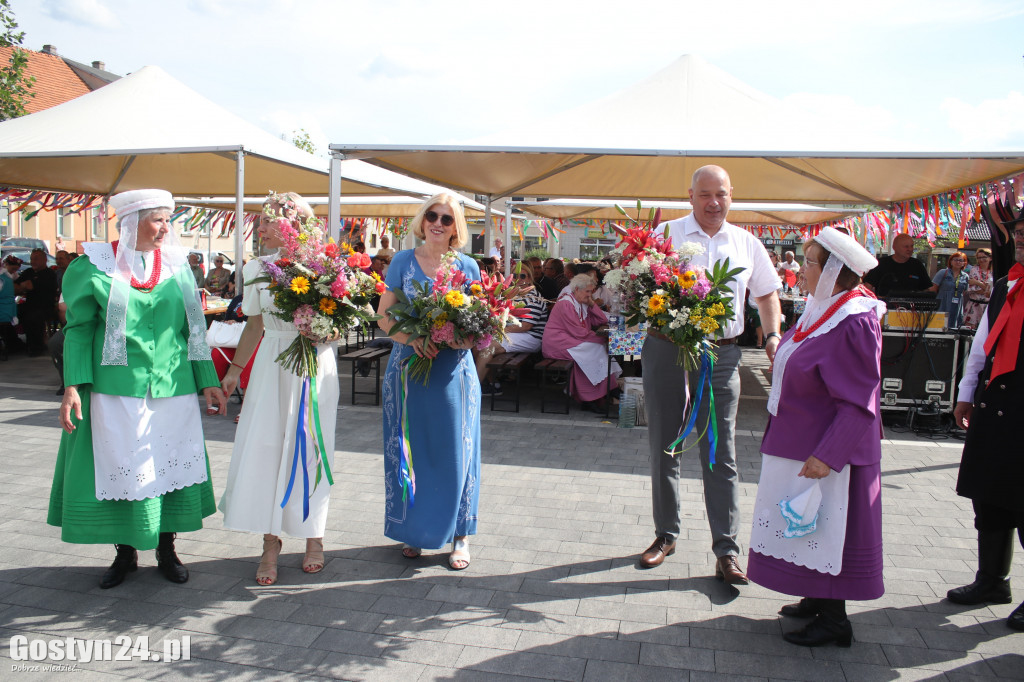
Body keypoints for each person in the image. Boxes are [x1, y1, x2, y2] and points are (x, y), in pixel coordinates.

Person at [48, 189, 227, 590]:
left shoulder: (179, 266)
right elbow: (78, 331)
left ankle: (167, 549)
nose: (166, 227)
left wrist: (208, 381)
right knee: (123, 469)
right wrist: (73, 386)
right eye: (158, 219)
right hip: (115, 391)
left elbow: (194, 331)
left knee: (166, 467)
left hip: (173, 388)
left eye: (169, 219)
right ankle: (125, 553)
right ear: (131, 221)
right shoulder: (91, 266)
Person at [640, 165, 782, 584]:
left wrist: (773, 335)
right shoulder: (665, 237)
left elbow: (767, 294)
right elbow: (635, 287)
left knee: (721, 453)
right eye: (705, 195)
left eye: (720, 194)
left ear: (731, 195)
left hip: (722, 356)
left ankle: (727, 550)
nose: (713, 202)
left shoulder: (746, 242)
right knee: (664, 445)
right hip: (667, 350)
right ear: (690, 196)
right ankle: (666, 534)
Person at [747, 228, 886, 647]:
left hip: (827, 451)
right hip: (800, 440)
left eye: (809, 263)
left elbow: (860, 400)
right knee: (806, 525)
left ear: (833, 273)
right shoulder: (823, 308)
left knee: (828, 527)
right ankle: (815, 595)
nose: (800, 270)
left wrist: (829, 454)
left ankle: (835, 619)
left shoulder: (856, 319)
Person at [219, 192, 341, 585]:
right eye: (261, 217)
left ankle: (314, 537)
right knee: (268, 450)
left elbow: (341, 323)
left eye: (269, 218)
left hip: (314, 364)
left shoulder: (324, 266)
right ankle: (270, 543)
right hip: (272, 363)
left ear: (292, 225)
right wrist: (235, 370)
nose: (260, 225)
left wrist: (325, 328)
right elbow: (254, 324)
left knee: (311, 448)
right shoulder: (256, 266)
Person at [377, 193, 482, 570]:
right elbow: (384, 317)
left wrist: (457, 339)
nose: (438, 223)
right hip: (409, 368)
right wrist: (416, 339)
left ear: (457, 227)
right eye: (432, 215)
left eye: (447, 218)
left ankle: (460, 536)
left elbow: (479, 326)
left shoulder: (469, 266)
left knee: (456, 453)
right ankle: (415, 531)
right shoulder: (403, 261)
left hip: (453, 372)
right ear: (422, 221)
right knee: (411, 449)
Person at [947, 219, 1024, 632]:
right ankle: (993, 581)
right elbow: (982, 343)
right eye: (1022, 234)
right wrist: (965, 390)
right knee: (990, 497)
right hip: (996, 402)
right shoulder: (1004, 286)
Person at [542, 274, 621, 412]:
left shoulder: (581, 302)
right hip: (557, 343)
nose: (590, 295)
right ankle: (602, 392)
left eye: (591, 292)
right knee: (595, 349)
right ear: (577, 289)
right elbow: (577, 332)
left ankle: (598, 394)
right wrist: (599, 338)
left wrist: (592, 304)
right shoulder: (566, 303)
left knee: (596, 350)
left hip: (570, 341)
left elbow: (601, 320)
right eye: (588, 292)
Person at [476, 263, 547, 396]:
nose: (518, 278)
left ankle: (473, 390)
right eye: (514, 275)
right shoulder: (512, 294)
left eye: (522, 276)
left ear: (530, 279)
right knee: (478, 344)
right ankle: (493, 384)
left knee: (487, 347)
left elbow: (526, 326)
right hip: (515, 333)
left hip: (532, 337)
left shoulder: (534, 297)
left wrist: (498, 330)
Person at [14, 248, 57, 356]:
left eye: (36, 259)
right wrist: (23, 286)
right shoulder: (28, 271)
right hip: (29, 304)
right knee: (12, 313)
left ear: (44, 260)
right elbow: (15, 286)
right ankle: (15, 344)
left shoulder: (49, 274)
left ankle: (36, 347)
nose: (33, 261)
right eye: (31, 259)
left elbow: (29, 285)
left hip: (45, 306)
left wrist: (23, 286)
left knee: (33, 317)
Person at [862, 233, 930, 297]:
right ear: (894, 247)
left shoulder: (917, 265)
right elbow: (867, 288)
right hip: (885, 307)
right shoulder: (881, 264)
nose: (910, 249)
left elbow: (927, 290)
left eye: (911, 246)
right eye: (906, 247)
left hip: (912, 307)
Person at [927, 251, 969, 328]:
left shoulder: (965, 276)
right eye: (955, 260)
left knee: (953, 326)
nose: (958, 262)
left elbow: (964, 291)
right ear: (951, 261)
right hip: (943, 302)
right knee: (939, 325)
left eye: (961, 260)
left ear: (964, 263)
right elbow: (933, 289)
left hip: (956, 305)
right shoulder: (943, 272)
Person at [962, 249, 994, 329]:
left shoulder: (994, 272)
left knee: (986, 330)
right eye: (979, 258)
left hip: (988, 306)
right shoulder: (974, 270)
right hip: (974, 305)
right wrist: (984, 287)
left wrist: (977, 283)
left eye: (984, 257)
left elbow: (992, 290)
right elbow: (972, 289)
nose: (981, 260)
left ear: (990, 258)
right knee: (970, 330)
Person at [1, 255, 24, 354]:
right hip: (9, 312)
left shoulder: (2, 279)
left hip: (3, 313)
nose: (14, 271)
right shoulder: (7, 278)